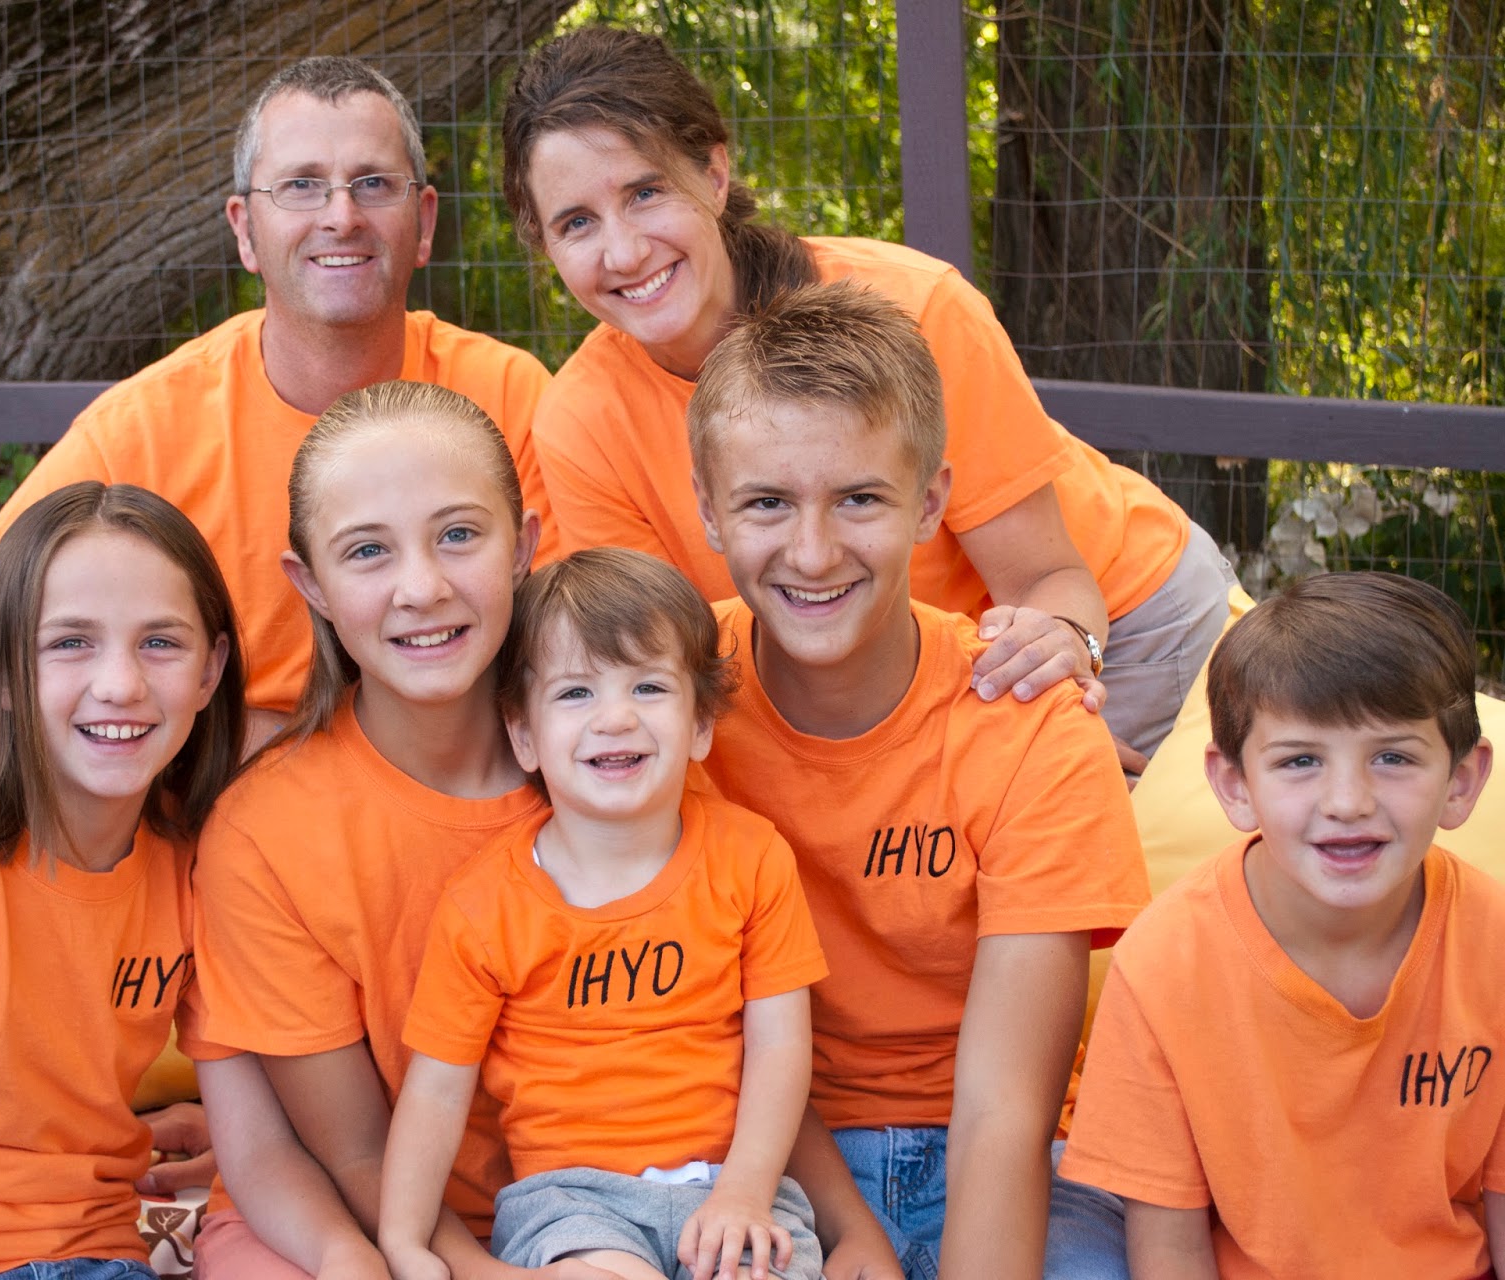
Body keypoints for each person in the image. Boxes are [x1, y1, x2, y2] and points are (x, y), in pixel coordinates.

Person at [500, 23, 1236, 768]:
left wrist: (1059, 702)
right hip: (906, 688)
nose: (624, 251)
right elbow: (664, 668)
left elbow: (1046, 580)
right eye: (577, 223)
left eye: (646, 192)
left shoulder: (919, 308)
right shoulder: (580, 421)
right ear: (543, 242)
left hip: (1116, 624)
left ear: (714, 175)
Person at [684, 282, 1151, 1280]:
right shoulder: (665, 710)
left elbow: (1005, 1107)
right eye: (766, 503)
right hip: (761, 1157)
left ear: (931, 503)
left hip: (1008, 1155)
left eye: (859, 498)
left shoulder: (1028, 718)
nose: (813, 552)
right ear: (708, 510)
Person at [0, 55, 555, 760]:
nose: (341, 216)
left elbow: (588, 666)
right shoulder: (144, 430)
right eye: (301, 186)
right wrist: (242, 744)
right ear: (245, 230)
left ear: (423, 221)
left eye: (373, 183)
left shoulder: (510, 395)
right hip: (220, 801)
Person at [190, 381, 560, 1278]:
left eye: (459, 535)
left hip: (596, 1213)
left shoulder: (619, 755)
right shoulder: (266, 832)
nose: (422, 588)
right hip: (349, 1219)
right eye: (367, 552)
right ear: (311, 586)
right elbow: (354, 1151)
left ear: (524, 547)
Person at [380, 548, 829, 1280]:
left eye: (648, 687)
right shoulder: (484, 905)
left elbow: (780, 1045)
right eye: (575, 693)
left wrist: (746, 1191)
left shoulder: (751, 858)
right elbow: (435, 1090)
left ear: (702, 724)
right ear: (524, 736)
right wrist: (403, 1239)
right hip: (572, 1200)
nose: (615, 718)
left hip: (735, 1183)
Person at [1061, 572, 1505, 1279]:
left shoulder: (1494, 945)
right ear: (1234, 785)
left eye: (1393, 757)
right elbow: (1169, 1245)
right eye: (1301, 760)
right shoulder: (1165, 963)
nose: (1348, 801)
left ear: (1461, 780)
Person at [0, 481, 244, 1279]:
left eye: (160, 642)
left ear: (211, 670)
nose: (120, 683)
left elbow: (259, 1123)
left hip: (99, 1255)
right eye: (69, 643)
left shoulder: (210, 865)